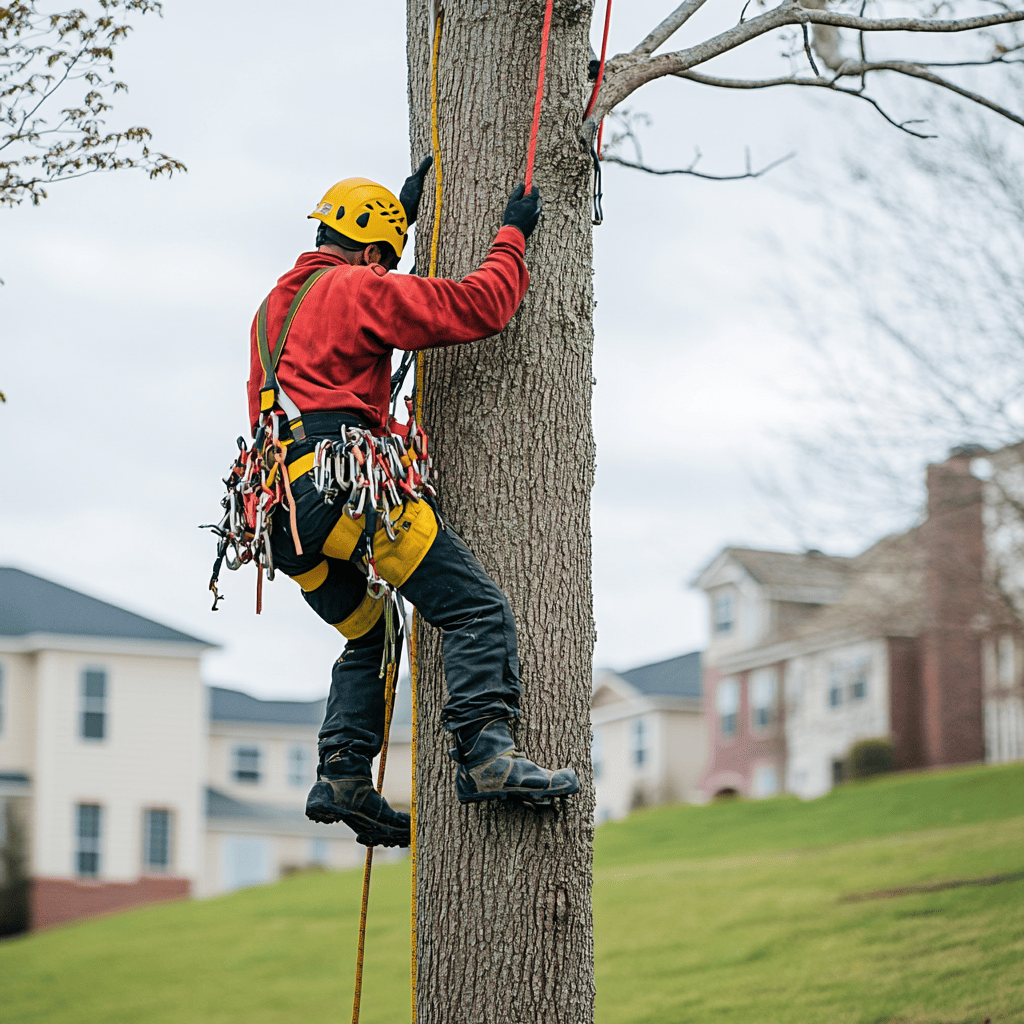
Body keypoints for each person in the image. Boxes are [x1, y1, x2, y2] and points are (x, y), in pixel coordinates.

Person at [247, 161, 579, 848]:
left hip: (280, 515)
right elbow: (480, 306)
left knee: (373, 635)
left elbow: (329, 353)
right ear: (369, 254)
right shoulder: (357, 288)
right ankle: (486, 754)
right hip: (346, 489)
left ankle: (343, 774)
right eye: (382, 262)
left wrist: (390, 236)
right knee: (471, 607)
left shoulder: (274, 307)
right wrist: (512, 237)